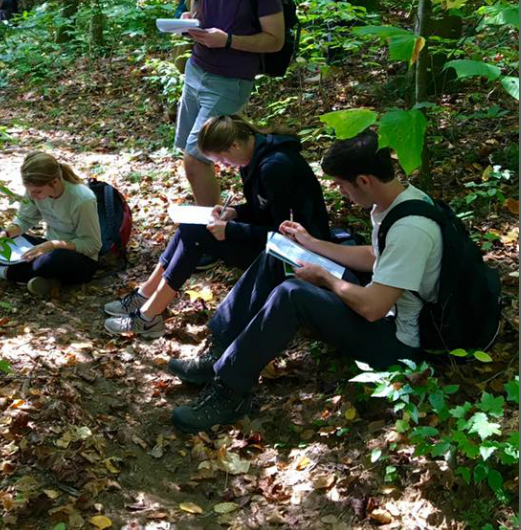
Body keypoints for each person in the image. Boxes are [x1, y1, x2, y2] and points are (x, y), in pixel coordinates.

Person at [167, 130, 442, 433]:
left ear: (363, 181)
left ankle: (229, 392)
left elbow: (374, 308)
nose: (340, 193)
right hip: (379, 301)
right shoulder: (394, 202)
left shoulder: (410, 229)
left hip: (396, 340)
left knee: (293, 295)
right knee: (282, 255)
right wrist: (309, 243)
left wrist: (324, 277)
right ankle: (219, 350)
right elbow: (375, 256)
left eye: (341, 185)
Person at [103, 115, 331, 338]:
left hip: (297, 257)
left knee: (195, 236)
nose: (224, 166)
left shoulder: (275, 167)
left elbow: (284, 234)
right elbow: (262, 208)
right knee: (189, 228)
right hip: (273, 242)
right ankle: (146, 295)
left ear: (234, 145)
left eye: (223, 160)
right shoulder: (252, 157)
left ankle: (148, 318)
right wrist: (235, 212)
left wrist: (231, 229)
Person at [175, 0, 285, 208]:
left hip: (230, 81)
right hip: (196, 69)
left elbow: (275, 40)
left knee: (196, 158)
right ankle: (214, 219)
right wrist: (189, 18)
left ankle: (211, 232)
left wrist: (227, 41)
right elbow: (196, 9)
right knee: (189, 148)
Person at [0, 152, 102, 298]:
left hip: (78, 258)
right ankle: (47, 280)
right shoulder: (35, 190)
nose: (32, 196)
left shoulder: (82, 200)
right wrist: (5, 234)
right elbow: (24, 220)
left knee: (46, 262)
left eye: (37, 191)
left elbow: (92, 245)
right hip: (48, 246)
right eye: (29, 191)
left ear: (55, 182)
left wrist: (53, 245)